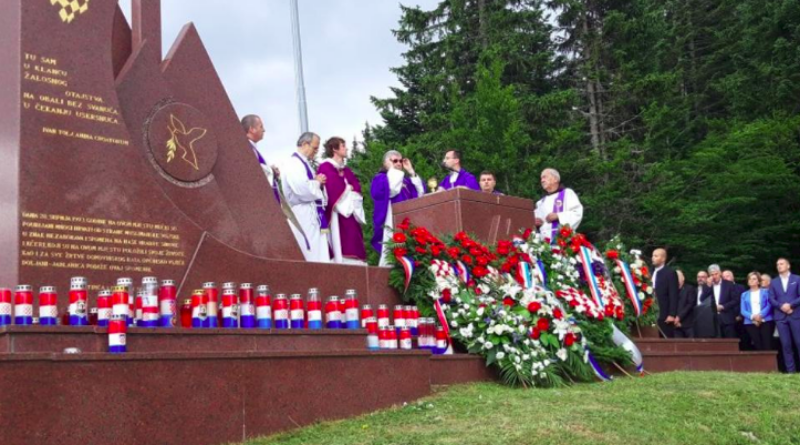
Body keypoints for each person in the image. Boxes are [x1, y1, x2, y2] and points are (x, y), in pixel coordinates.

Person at [281, 132, 330, 263]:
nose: (316, 152)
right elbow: (302, 189)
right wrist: (318, 182)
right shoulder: (293, 163)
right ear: (304, 144)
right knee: (309, 250)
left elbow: (310, 185)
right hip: (302, 213)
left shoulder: (305, 164)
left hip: (312, 212)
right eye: (315, 148)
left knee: (318, 250)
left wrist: (317, 182)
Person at [370, 151, 425, 266]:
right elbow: (391, 191)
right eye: (395, 161)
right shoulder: (380, 178)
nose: (399, 163)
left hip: (409, 222)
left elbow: (421, 194)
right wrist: (392, 170)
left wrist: (411, 171)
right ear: (386, 163)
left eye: (401, 161)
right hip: (392, 221)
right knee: (392, 257)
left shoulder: (405, 181)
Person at [318, 137, 367, 265]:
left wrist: (348, 189)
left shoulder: (346, 170)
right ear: (334, 149)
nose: (346, 148)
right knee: (340, 240)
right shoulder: (326, 166)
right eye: (343, 146)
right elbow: (333, 188)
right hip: (337, 212)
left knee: (353, 237)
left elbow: (356, 186)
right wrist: (348, 188)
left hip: (350, 210)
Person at [534, 168, 583, 243]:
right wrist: (535, 224)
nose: (542, 180)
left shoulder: (567, 194)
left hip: (563, 242)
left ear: (555, 179)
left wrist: (558, 216)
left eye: (544, 177)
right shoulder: (540, 203)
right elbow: (533, 224)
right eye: (541, 178)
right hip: (544, 245)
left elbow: (577, 213)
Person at [768, 258, 800, 372]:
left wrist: (791, 305)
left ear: (788, 265)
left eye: (781, 264)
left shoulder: (797, 279)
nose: (779, 266)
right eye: (777, 264)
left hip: (795, 315)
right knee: (786, 345)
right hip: (781, 316)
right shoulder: (774, 282)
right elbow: (771, 298)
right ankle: (790, 371)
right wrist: (781, 306)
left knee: (799, 342)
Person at [242, 115, 280, 193]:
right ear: (252, 129)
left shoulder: (253, 149)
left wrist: (271, 169)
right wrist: (271, 171)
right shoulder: (244, 149)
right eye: (261, 127)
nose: (264, 130)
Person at [701, 264, 740, 338]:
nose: (714, 276)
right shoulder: (707, 286)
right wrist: (708, 286)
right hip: (713, 319)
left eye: (716, 274)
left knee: (730, 342)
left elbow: (736, 300)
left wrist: (723, 306)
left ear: (720, 273)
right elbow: (702, 299)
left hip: (727, 318)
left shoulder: (729, 284)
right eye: (712, 275)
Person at [741, 271, 774, 351]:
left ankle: (769, 363)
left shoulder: (766, 292)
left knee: (767, 345)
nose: (751, 280)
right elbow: (743, 310)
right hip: (750, 322)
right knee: (757, 345)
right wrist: (753, 317)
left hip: (766, 321)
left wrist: (760, 315)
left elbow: (769, 305)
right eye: (749, 279)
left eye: (754, 279)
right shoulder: (744, 294)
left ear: (758, 281)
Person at [651, 248, 679, 338]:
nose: (653, 258)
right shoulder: (650, 272)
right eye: (652, 256)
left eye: (656, 256)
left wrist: (672, 314)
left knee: (665, 338)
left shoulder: (670, 273)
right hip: (651, 311)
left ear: (663, 258)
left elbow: (673, 294)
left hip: (664, 313)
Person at [693, 270, 716, 338]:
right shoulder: (694, 290)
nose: (700, 279)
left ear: (707, 278)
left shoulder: (712, 289)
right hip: (697, 318)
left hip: (709, 319)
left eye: (703, 277)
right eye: (698, 277)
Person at [674, 270, 696, 338]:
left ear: (683, 278)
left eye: (678, 276)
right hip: (675, 325)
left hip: (688, 324)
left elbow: (690, 304)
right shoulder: (672, 290)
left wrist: (679, 317)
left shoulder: (690, 289)